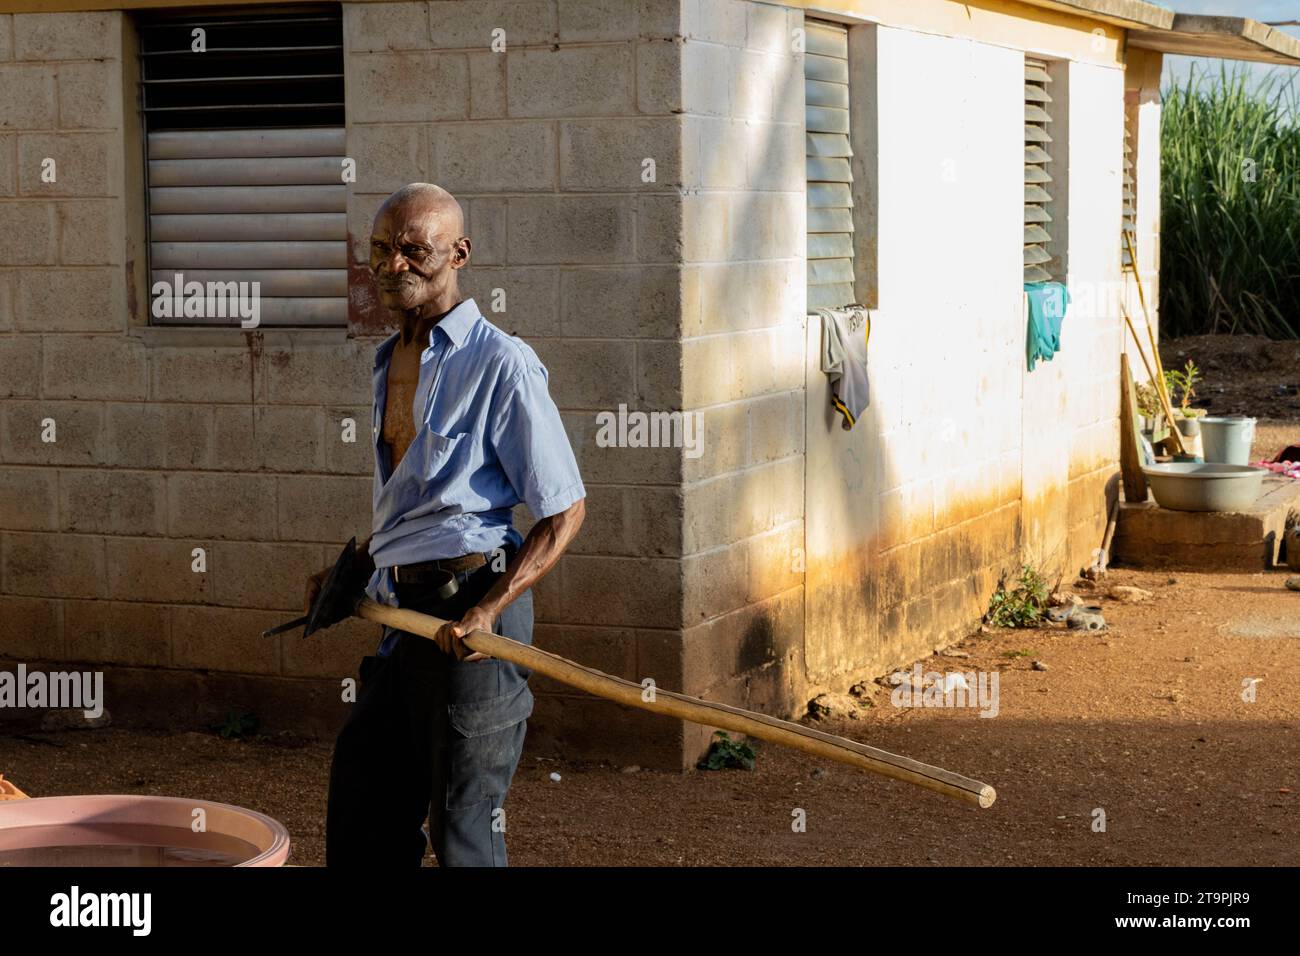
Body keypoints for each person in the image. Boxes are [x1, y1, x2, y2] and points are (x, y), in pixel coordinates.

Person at [308, 183, 586, 866]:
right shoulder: (388, 360)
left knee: (465, 835)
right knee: (363, 816)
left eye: (413, 250)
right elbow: (424, 499)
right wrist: (361, 566)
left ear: (459, 254)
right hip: (406, 621)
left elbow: (564, 510)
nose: (392, 266)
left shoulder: (501, 362)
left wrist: (491, 611)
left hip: (472, 618)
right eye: (379, 251)